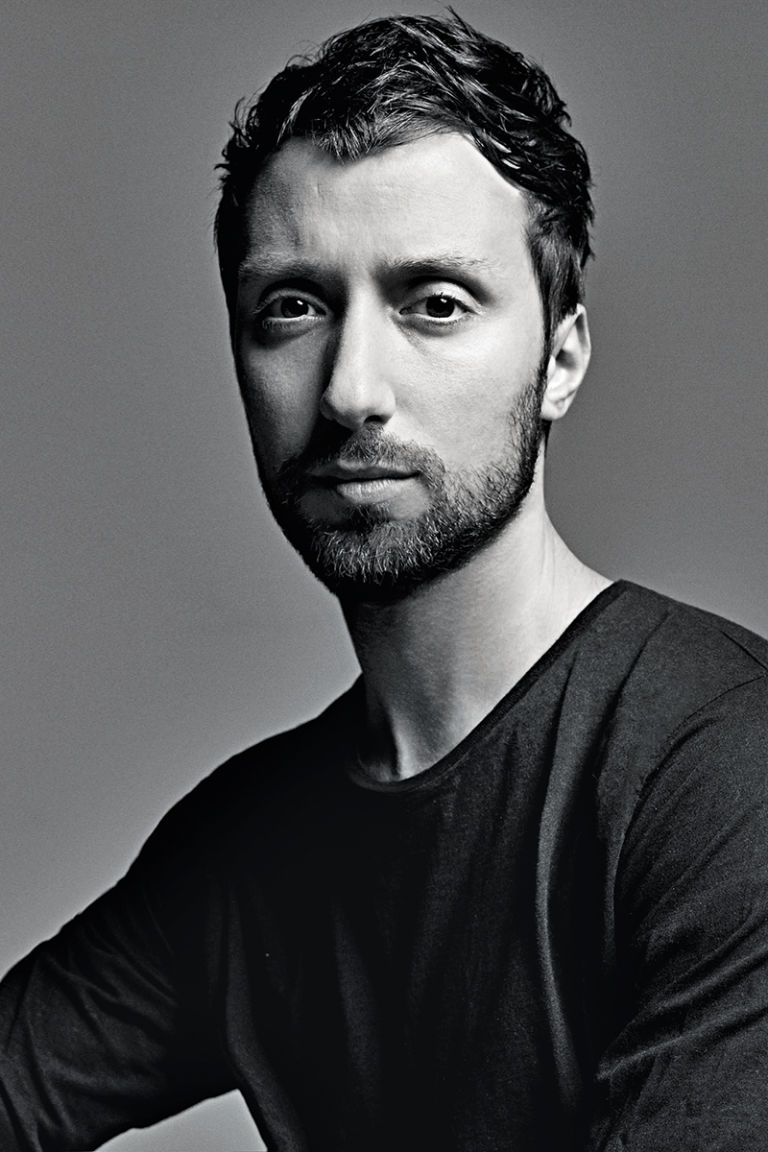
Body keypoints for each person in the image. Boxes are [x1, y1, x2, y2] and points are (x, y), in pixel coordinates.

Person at [2, 10, 768, 1151]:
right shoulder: (249, 846)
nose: (351, 388)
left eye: (435, 304)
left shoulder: (726, 773)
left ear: (561, 359)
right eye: (294, 307)